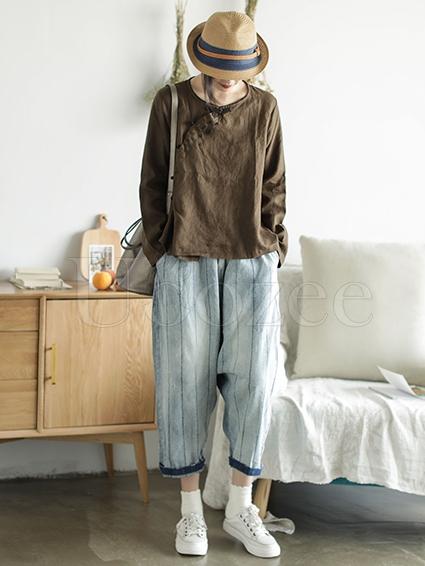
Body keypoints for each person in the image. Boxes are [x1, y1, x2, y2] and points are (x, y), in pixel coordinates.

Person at [139, 10, 288, 559]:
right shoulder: (171, 103)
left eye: (236, 74)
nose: (227, 82)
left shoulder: (265, 108)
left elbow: (275, 184)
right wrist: (163, 251)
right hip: (186, 260)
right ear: (203, 62)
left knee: (254, 386)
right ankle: (190, 516)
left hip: (251, 263)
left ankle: (242, 509)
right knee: (183, 386)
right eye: (219, 73)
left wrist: (272, 247)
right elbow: (151, 181)